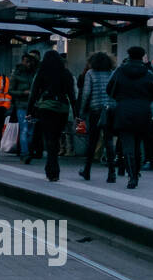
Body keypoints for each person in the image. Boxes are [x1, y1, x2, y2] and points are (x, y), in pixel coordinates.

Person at [106, 47, 153, 189]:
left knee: (127, 146)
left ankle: (132, 177)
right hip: (143, 112)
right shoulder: (148, 74)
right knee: (138, 145)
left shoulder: (119, 72)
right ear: (142, 57)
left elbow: (109, 89)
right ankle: (136, 172)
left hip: (124, 111)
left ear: (128, 56)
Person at [27, 50, 79, 183]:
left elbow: (33, 93)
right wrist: (77, 114)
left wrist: (29, 111)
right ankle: (53, 168)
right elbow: (72, 95)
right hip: (62, 108)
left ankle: (52, 169)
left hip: (46, 108)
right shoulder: (66, 73)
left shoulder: (41, 73)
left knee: (49, 138)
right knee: (56, 137)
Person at [77, 51, 117, 182]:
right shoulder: (112, 73)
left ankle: (87, 170)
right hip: (110, 109)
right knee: (108, 140)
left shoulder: (90, 73)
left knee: (92, 141)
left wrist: (82, 111)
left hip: (95, 110)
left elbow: (86, 93)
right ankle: (111, 173)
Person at [9, 51, 40, 162]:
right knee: (25, 129)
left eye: (30, 61)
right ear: (22, 61)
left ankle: (27, 151)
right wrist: (23, 93)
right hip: (22, 105)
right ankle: (25, 152)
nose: (28, 63)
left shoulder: (36, 73)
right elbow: (10, 91)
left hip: (34, 106)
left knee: (30, 131)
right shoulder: (17, 73)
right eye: (26, 61)